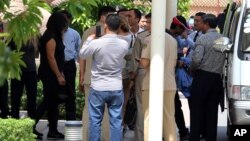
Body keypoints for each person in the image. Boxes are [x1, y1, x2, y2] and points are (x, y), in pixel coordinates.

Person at [79, 14, 129, 141]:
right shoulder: (124, 44)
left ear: (105, 25)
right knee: (116, 121)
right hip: (116, 87)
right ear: (118, 27)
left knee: (95, 121)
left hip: (98, 87)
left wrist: (90, 39)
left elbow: (82, 54)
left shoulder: (97, 43)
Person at [139, 13, 178, 141]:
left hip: (151, 83)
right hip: (169, 83)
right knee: (169, 118)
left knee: (149, 117)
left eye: (149, 22)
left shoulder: (150, 39)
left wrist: (137, 60)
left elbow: (145, 63)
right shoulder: (172, 39)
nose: (146, 25)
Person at [189, 14, 225, 141]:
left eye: (202, 23)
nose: (200, 25)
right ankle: (211, 138)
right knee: (212, 112)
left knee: (197, 111)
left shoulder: (203, 39)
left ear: (207, 24)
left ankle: (194, 138)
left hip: (202, 77)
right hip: (216, 78)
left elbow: (197, 59)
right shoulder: (223, 39)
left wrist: (191, 69)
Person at [34, 12, 68, 140]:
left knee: (52, 103)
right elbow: (51, 58)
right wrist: (58, 75)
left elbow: (58, 58)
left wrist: (61, 72)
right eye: (63, 22)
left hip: (53, 73)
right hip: (49, 74)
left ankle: (53, 130)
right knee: (48, 101)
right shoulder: (50, 37)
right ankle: (30, 125)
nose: (65, 25)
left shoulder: (55, 35)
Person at [168, 15, 192, 140]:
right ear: (177, 27)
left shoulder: (174, 38)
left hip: (171, 78)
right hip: (167, 79)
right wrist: (177, 62)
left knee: (175, 106)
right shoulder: (169, 39)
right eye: (182, 29)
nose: (183, 32)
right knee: (175, 106)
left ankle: (182, 131)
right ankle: (181, 131)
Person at [131, 13, 151, 141]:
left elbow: (135, 58)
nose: (147, 25)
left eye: (149, 22)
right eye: (147, 22)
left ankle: (141, 137)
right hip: (156, 74)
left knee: (141, 106)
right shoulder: (168, 37)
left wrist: (132, 76)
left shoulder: (142, 37)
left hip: (143, 73)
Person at [60, 10, 81, 120]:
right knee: (54, 94)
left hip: (70, 65)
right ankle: (52, 122)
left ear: (69, 20)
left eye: (64, 19)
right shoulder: (53, 33)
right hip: (57, 66)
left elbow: (79, 50)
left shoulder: (74, 33)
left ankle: (71, 120)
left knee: (71, 93)